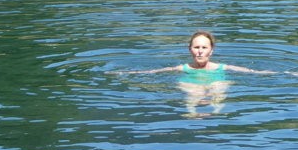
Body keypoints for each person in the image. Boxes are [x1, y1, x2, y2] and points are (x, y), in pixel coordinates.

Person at [113, 30, 278, 116]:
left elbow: (253, 72)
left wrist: (286, 74)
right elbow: (153, 71)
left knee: (218, 85)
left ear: (211, 51)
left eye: (204, 48)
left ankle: (216, 110)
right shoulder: (182, 68)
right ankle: (192, 111)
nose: (200, 52)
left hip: (216, 83)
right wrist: (129, 73)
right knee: (193, 89)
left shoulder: (222, 67)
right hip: (192, 83)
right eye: (196, 47)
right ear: (190, 50)